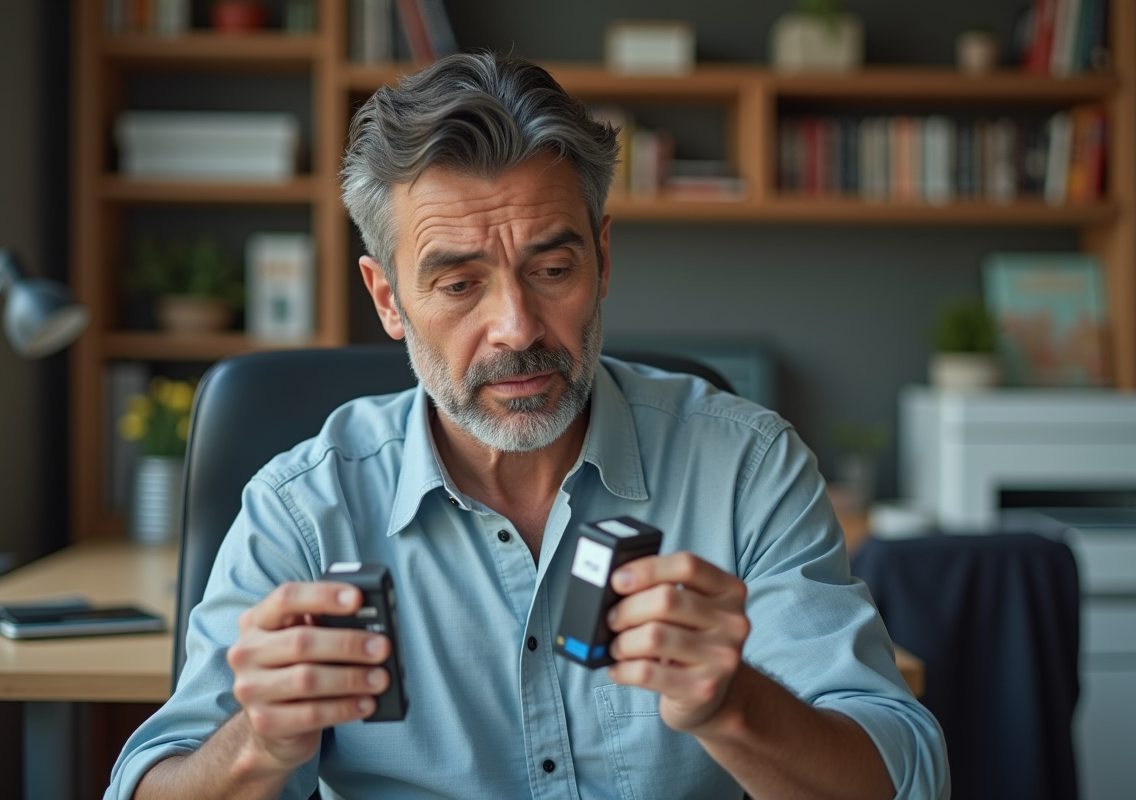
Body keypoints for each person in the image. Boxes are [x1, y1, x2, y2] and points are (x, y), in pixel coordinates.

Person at [107, 53, 949, 800]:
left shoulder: (747, 467)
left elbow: (905, 775)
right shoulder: (303, 510)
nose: (517, 326)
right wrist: (254, 747)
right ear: (387, 299)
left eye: (552, 268)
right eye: (460, 284)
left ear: (604, 259)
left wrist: (736, 707)